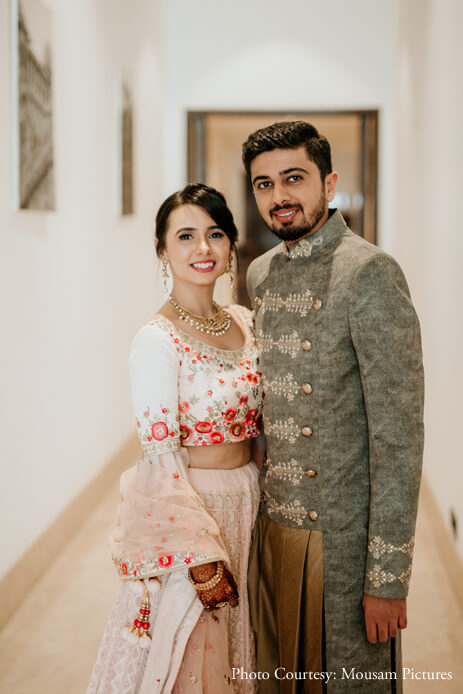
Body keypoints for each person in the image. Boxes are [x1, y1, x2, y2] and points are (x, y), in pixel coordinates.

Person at [242, 121, 424, 693]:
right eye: (264, 184)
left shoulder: (369, 271)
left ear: (330, 183)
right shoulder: (260, 274)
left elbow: (398, 439)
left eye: (294, 178)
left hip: (343, 544)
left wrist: (388, 578)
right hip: (274, 533)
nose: (280, 196)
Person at [87, 183, 264, 694]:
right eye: (185, 236)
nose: (202, 249)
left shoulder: (245, 323)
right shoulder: (157, 340)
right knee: (190, 653)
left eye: (215, 234)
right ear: (162, 250)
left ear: (231, 246)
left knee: (238, 646)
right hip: (193, 513)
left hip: (247, 500)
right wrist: (199, 557)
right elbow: (160, 458)